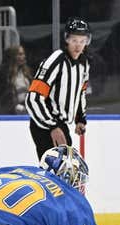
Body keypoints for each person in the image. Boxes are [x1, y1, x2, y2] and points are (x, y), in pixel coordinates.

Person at [26, 17, 90, 160]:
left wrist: (80, 118)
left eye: (82, 41)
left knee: (66, 169)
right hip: (44, 124)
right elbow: (33, 98)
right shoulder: (56, 60)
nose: (78, 45)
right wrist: (52, 126)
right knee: (57, 170)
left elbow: (80, 93)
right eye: (74, 40)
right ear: (67, 39)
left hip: (60, 124)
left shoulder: (84, 64)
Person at [0, 45, 33, 114]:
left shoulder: (27, 72)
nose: (23, 56)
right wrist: (15, 106)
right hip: (11, 110)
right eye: (20, 54)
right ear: (13, 56)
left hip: (27, 107)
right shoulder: (3, 73)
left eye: (23, 54)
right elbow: (3, 96)